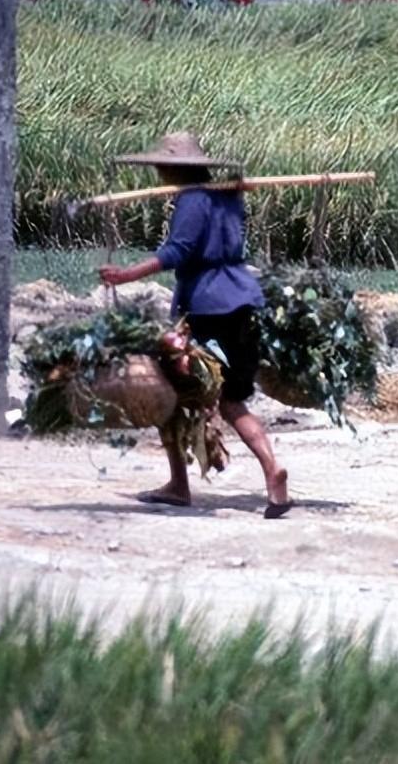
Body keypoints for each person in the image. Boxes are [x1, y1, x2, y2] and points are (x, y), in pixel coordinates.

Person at [98, 131, 290, 519]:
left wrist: (126, 275)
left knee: (168, 388)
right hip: (243, 300)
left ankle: (178, 485)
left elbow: (178, 251)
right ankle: (272, 469)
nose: (157, 171)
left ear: (174, 168)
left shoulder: (193, 199)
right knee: (231, 399)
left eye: (160, 165)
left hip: (208, 307)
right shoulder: (227, 194)